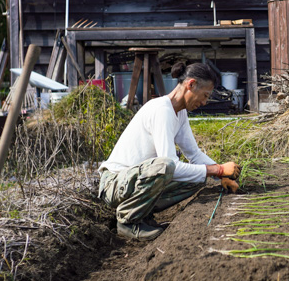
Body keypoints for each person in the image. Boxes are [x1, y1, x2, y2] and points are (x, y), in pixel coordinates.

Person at [98, 60, 241, 240]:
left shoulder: (179, 113)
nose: (205, 102)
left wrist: (222, 175)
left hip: (132, 182)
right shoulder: (161, 110)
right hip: (114, 183)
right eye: (205, 95)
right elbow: (169, 165)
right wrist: (218, 169)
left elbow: (194, 154)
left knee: (196, 179)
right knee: (166, 165)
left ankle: (143, 213)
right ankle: (128, 222)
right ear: (191, 84)